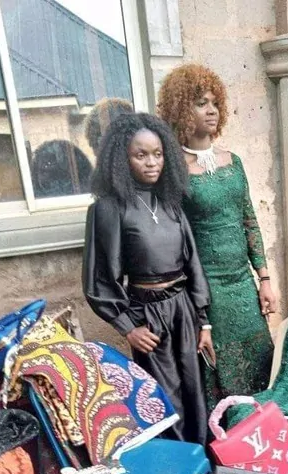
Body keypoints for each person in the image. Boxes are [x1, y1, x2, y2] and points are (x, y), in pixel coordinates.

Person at [82, 113, 213, 445]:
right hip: (147, 314)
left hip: (183, 308)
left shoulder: (171, 202)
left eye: (157, 154)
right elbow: (100, 278)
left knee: (195, 391)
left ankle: (200, 461)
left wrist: (203, 321)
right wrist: (128, 327)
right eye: (140, 155)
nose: (152, 163)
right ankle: (176, 465)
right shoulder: (108, 209)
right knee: (164, 398)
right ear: (122, 159)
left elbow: (192, 263)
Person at [157, 64, 276, 410]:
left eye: (214, 103)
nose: (211, 110)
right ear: (181, 109)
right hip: (208, 288)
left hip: (244, 284)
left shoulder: (233, 162)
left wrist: (264, 280)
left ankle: (261, 428)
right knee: (220, 368)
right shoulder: (173, 171)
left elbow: (249, 221)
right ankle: (227, 433)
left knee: (261, 359)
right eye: (200, 103)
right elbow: (178, 244)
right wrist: (201, 312)